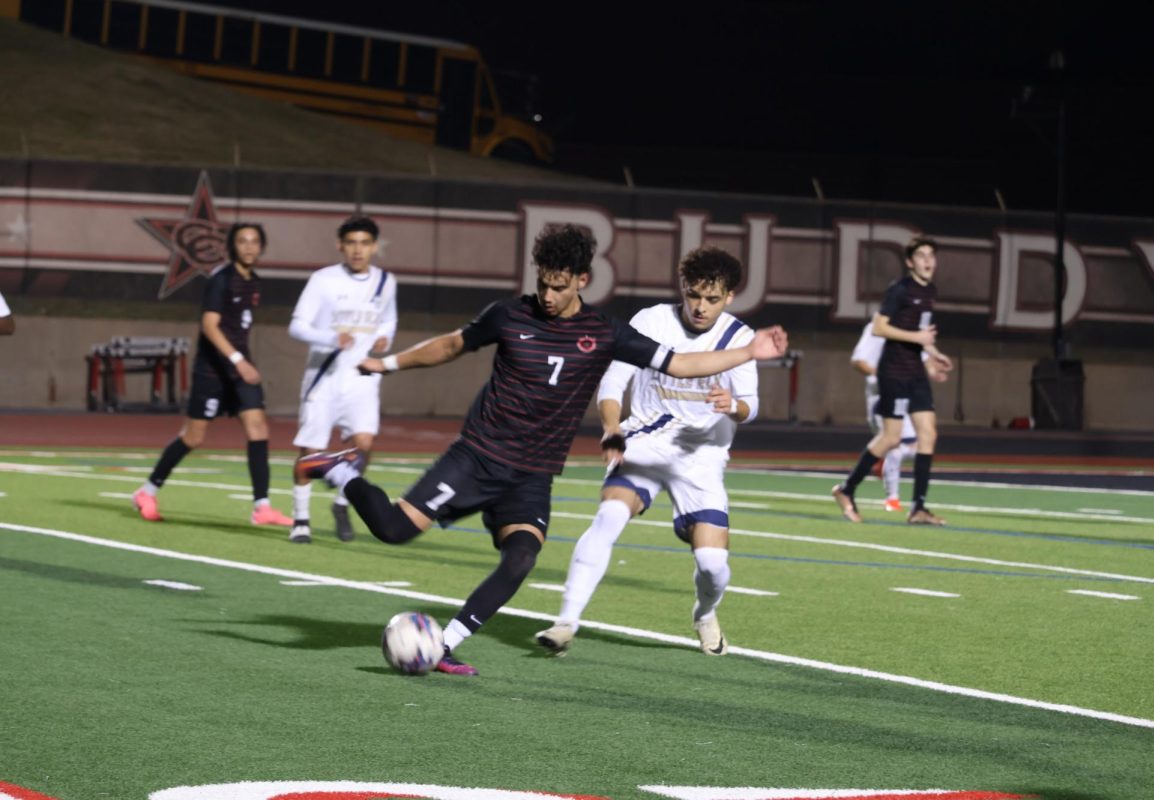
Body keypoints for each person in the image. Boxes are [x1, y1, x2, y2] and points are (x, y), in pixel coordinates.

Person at [296, 223, 788, 676]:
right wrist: (388, 364)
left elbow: (679, 364)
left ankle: (443, 645)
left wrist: (749, 353)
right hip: (477, 457)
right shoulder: (509, 315)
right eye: (543, 284)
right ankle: (343, 472)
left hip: (531, 474)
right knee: (392, 530)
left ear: (582, 280)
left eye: (560, 286)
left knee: (521, 559)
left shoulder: (604, 331)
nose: (549, 296)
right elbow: (451, 345)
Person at [535, 246, 758, 658]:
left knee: (712, 564)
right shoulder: (651, 321)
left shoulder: (739, 338)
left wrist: (735, 406)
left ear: (729, 298)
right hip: (647, 440)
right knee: (610, 515)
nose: (700, 306)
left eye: (712, 299)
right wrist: (611, 427)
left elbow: (751, 404)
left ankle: (705, 613)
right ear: (683, 288)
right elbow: (613, 382)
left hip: (702, 455)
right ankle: (566, 621)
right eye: (694, 295)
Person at [133, 224, 292, 526]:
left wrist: (241, 363)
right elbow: (210, 326)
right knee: (193, 437)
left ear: (262, 247)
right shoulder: (222, 280)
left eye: (254, 241)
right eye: (242, 241)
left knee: (258, 428)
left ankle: (262, 507)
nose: (248, 246)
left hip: (239, 372)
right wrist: (237, 360)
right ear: (232, 246)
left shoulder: (253, 282)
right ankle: (147, 492)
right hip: (213, 372)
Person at [286, 215, 397, 544]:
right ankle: (301, 519)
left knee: (364, 447)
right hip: (324, 378)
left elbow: (388, 321)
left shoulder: (385, 281)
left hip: (362, 379)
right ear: (340, 245)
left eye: (364, 243)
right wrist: (331, 337)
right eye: (351, 243)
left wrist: (384, 340)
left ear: (374, 247)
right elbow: (297, 326)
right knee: (311, 450)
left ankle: (341, 502)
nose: (358, 250)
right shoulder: (323, 280)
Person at [832, 236, 952, 525]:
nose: (927, 260)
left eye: (931, 255)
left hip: (916, 373)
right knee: (891, 438)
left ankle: (918, 508)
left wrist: (935, 353)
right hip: (894, 372)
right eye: (921, 255)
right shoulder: (900, 290)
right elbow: (879, 326)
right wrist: (918, 339)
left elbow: (921, 332)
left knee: (929, 434)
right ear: (910, 262)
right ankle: (846, 489)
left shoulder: (930, 291)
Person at [850, 320, 918, 513]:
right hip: (881, 397)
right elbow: (858, 361)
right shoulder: (877, 327)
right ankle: (892, 499)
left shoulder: (912, 327)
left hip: (905, 396)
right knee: (894, 446)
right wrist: (885, 378)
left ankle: (880, 460)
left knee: (919, 447)